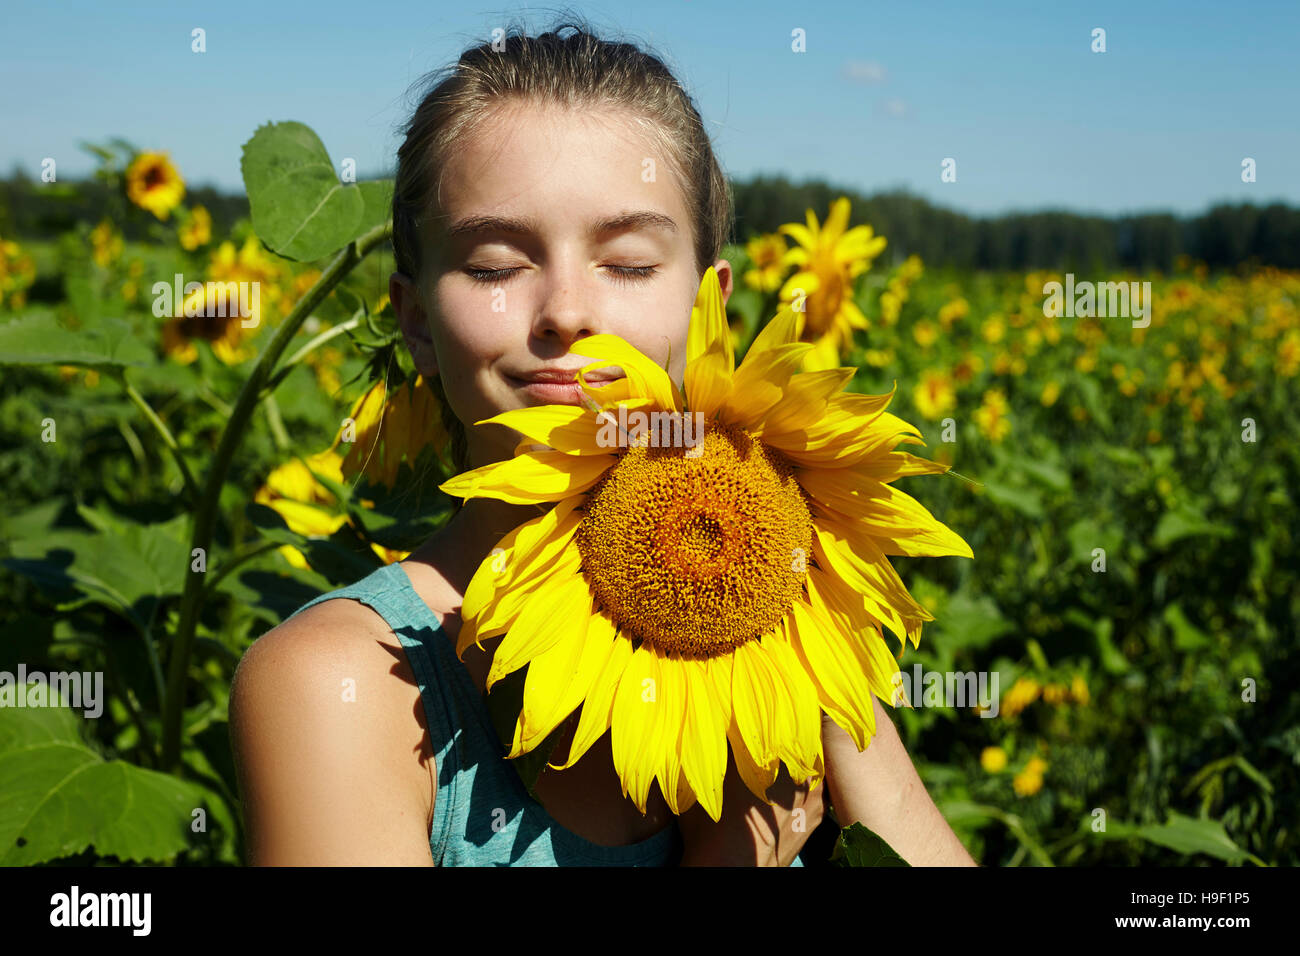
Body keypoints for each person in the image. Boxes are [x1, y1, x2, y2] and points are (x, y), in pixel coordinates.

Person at [230, 20, 976, 867]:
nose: (566, 312)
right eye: (494, 264)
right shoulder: (346, 686)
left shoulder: (800, 623)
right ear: (416, 324)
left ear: (710, 307)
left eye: (626, 263)